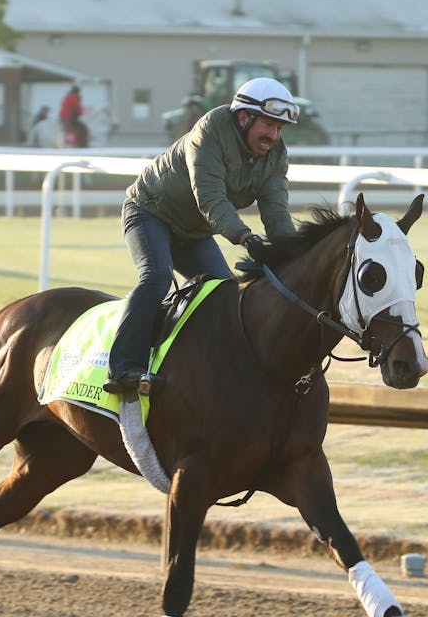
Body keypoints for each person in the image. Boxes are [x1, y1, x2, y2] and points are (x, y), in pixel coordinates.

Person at [104, 77, 299, 395]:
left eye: (280, 128)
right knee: (157, 276)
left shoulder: (275, 156)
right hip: (150, 213)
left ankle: (200, 365)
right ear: (243, 118)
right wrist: (246, 238)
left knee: (224, 295)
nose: (274, 136)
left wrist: (291, 252)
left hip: (194, 231)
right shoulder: (209, 131)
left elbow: (276, 211)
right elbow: (210, 198)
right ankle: (123, 367)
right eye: (268, 125)